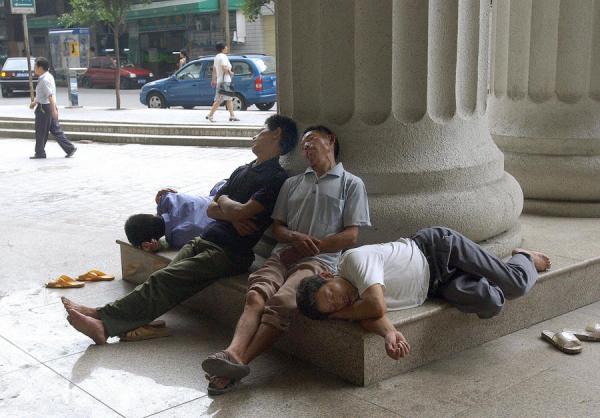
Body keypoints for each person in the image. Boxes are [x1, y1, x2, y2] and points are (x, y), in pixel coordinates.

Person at [61, 115, 299, 350]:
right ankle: (106, 319)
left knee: (164, 280)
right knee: (160, 279)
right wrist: (230, 210)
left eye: (261, 130)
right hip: (205, 239)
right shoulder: (242, 170)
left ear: (276, 133)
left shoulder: (276, 178)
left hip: (230, 252)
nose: (254, 135)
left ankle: (102, 323)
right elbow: (212, 209)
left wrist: (227, 207)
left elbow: (238, 210)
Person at [201, 125, 371, 394]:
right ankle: (231, 352)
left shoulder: (351, 183)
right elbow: (277, 227)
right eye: (303, 144)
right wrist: (293, 237)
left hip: (320, 262)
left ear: (331, 140)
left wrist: (309, 247)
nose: (306, 147)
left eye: (312, 140)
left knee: (281, 302)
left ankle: (239, 364)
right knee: (256, 295)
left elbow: (351, 236)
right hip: (282, 254)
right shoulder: (292, 183)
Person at [295, 227, 551, 360]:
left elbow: (375, 307)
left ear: (327, 276)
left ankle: (523, 259)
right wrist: (390, 333)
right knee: (492, 302)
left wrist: (338, 315)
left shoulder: (353, 261)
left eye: (331, 296)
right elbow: (371, 316)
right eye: (333, 307)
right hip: (437, 286)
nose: (340, 302)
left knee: (516, 285)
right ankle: (489, 273)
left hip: (439, 249)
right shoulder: (357, 305)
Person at [124, 179, 227, 252]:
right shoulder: (167, 199)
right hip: (225, 191)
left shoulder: (178, 237)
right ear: (151, 216)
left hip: (227, 213)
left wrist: (158, 247)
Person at [29, 57, 77, 159]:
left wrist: (54, 110)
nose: (34, 68)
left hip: (44, 108)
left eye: (35, 66)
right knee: (56, 130)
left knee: (41, 131)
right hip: (49, 106)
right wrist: (35, 102)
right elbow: (44, 94)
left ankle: (40, 153)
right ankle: (69, 148)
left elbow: (49, 95)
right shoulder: (48, 76)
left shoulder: (44, 80)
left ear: (40, 67)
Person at [205, 42, 238, 123]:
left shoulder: (216, 57)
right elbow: (224, 67)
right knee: (219, 99)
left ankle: (232, 116)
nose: (227, 48)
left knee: (228, 99)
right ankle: (210, 115)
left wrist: (213, 79)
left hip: (221, 80)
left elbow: (214, 69)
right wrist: (230, 72)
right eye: (226, 47)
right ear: (223, 49)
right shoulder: (223, 57)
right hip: (225, 81)